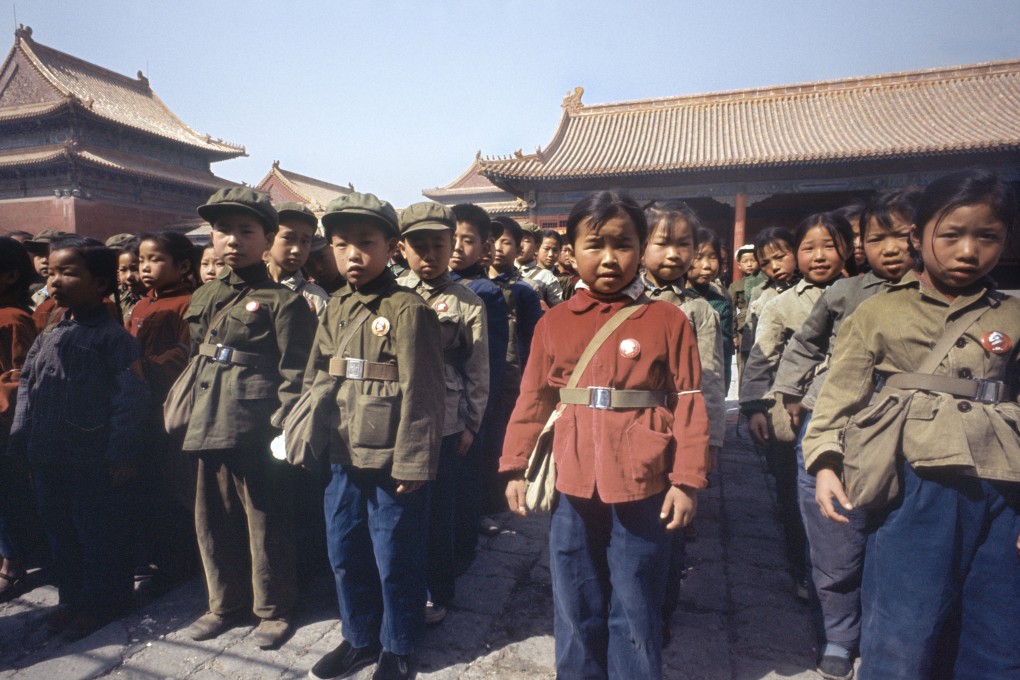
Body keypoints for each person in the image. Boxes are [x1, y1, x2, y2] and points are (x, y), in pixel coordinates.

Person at [805, 170, 1020, 679]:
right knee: (903, 632)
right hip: (915, 487)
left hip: (1004, 489)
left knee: (998, 634)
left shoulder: (1012, 315)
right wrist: (826, 464)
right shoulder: (879, 312)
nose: (968, 251)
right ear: (918, 237)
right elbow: (840, 396)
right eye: (951, 235)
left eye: (987, 236)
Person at [501, 190, 710, 680]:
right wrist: (514, 466)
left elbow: (690, 400)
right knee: (575, 599)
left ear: (640, 249)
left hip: (644, 479)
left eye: (624, 244)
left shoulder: (667, 319)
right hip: (572, 480)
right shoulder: (553, 322)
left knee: (636, 600)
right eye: (596, 245)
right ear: (572, 251)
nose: (610, 258)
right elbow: (532, 398)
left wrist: (687, 481)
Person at [771, 190, 916, 679]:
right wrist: (789, 395)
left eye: (903, 235)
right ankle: (838, 633)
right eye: (878, 238)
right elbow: (804, 347)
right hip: (839, 423)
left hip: (908, 432)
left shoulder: (942, 297)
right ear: (861, 246)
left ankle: (885, 638)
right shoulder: (845, 294)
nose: (892, 248)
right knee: (835, 537)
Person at [301, 192, 444, 680]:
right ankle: (359, 638)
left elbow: (425, 393)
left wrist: (413, 462)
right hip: (342, 453)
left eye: (366, 243)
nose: (353, 255)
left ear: (392, 248)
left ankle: (399, 646)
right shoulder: (335, 306)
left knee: (395, 557)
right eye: (342, 245)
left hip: (389, 459)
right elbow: (316, 375)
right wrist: (303, 434)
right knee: (344, 551)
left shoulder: (408, 310)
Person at [179, 187, 316, 650]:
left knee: (266, 517)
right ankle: (223, 603)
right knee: (212, 516)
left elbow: (296, 370)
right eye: (222, 231)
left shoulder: (283, 301)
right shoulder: (206, 294)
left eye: (245, 231)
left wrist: (281, 425)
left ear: (266, 238)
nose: (232, 240)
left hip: (256, 423)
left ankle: (273, 609)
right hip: (208, 417)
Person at [9, 236, 149, 640]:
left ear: (102, 283)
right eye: (51, 272)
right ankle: (71, 599)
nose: (55, 282)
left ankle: (105, 601)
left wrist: (122, 452)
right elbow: (29, 388)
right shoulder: (51, 331)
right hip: (48, 455)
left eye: (69, 273)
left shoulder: (113, 338)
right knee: (61, 532)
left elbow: (132, 399)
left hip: (92, 457)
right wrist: (21, 441)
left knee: (97, 533)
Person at [740, 213, 854, 599]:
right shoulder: (780, 304)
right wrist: (755, 407)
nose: (819, 257)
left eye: (829, 247)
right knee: (794, 498)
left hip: (855, 415)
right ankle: (803, 569)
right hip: (794, 413)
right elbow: (761, 357)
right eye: (810, 249)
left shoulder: (867, 294)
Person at [395, 201, 489, 626]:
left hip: (447, 422)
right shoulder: (391, 295)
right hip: (397, 418)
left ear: (451, 245)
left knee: (439, 513)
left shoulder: (467, 302)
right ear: (402, 249)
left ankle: (439, 591)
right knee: (399, 512)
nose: (428, 255)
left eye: (438, 244)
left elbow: (478, 368)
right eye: (419, 246)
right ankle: (401, 588)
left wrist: (470, 422)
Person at [640, 201, 726, 641]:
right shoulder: (622, 299)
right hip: (628, 430)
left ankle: (661, 613)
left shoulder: (698, 311)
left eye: (684, 245)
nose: (673, 255)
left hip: (676, 432)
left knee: (668, 529)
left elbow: (710, 379)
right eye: (662, 243)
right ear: (641, 246)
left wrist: (710, 443)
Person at [128, 230, 199, 589]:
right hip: (137, 406)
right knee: (146, 486)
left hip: (168, 408)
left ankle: (179, 562)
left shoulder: (187, 303)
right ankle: (154, 557)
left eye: (156, 260)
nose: (146, 267)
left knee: (174, 487)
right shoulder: (142, 304)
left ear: (182, 265)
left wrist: (141, 364)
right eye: (142, 260)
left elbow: (184, 356)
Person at [449, 204, 509, 566]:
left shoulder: (485, 291)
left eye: (466, 240)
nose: (457, 247)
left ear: (483, 248)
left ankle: (463, 546)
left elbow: (493, 356)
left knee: (468, 470)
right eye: (450, 238)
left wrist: (480, 407)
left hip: (470, 396)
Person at [485, 217, 543, 533]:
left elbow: (534, 338)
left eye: (506, 241)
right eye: (492, 241)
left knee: (502, 437)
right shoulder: (472, 284)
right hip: (482, 374)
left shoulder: (524, 291)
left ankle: (498, 498)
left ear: (519, 247)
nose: (498, 248)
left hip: (511, 374)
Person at [0, 238, 40, 602]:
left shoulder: (13, 318)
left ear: (10, 275)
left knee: (8, 494)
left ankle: (13, 564)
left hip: (4, 422)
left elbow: (20, 375)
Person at [687, 229, 735, 390]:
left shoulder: (721, 302)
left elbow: (725, 350)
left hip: (710, 382)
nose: (706, 266)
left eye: (713, 257)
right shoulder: (675, 298)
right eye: (698, 257)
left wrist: (723, 385)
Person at [266, 202, 330, 319]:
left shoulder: (315, 297)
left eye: (305, 241)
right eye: (288, 238)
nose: (296, 250)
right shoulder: (247, 287)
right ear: (269, 240)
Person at [729, 243, 765, 382]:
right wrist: (733, 335)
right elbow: (731, 309)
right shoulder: (736, 286)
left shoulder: (766, 281)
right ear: (739, 265)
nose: (749, 264)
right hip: (744, 328)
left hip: (764, 321)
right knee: (744, 361)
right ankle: (744, 397)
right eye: (745, 261)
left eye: (753, 260)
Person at [514, 220, 563, 308]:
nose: (520, 245)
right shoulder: (502, 271)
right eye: (518, 239)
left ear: (537, 247)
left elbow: (559, 310)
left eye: (526, 241)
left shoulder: (546, 277)